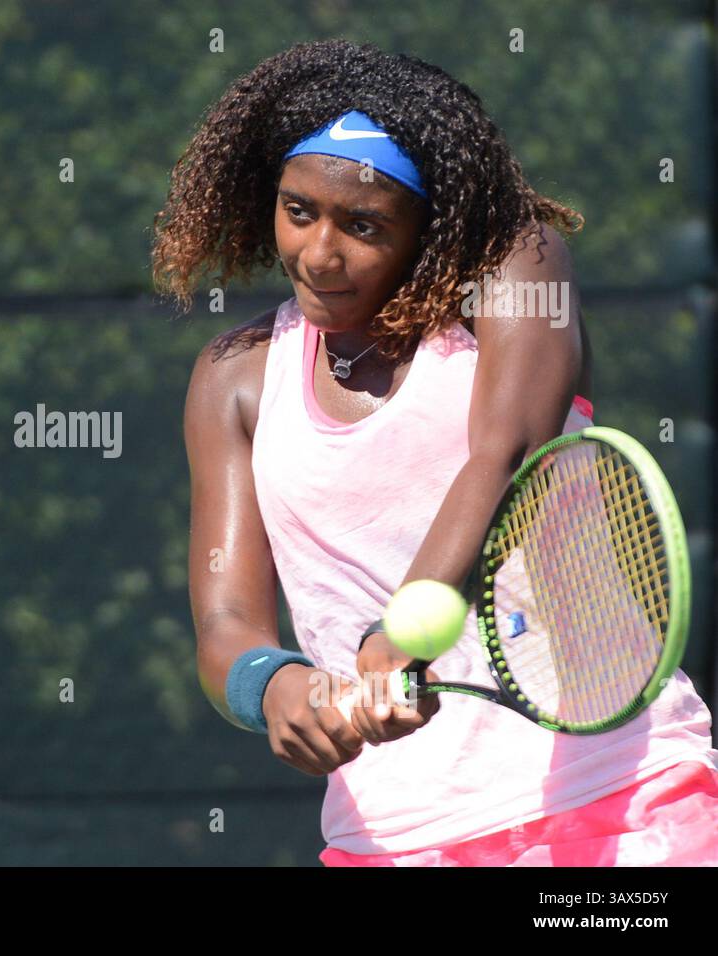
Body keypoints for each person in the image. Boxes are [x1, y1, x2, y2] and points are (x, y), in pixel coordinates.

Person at [154, 39, 718, 865]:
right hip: (392, 838)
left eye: (365, 225)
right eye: (299, 210)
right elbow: (225, 622)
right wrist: (278, 686)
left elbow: (505, 453)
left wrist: (401, 635)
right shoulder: (231, 380)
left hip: (621, 796)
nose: (319, 253)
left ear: (430, 224)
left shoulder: (516, 269)